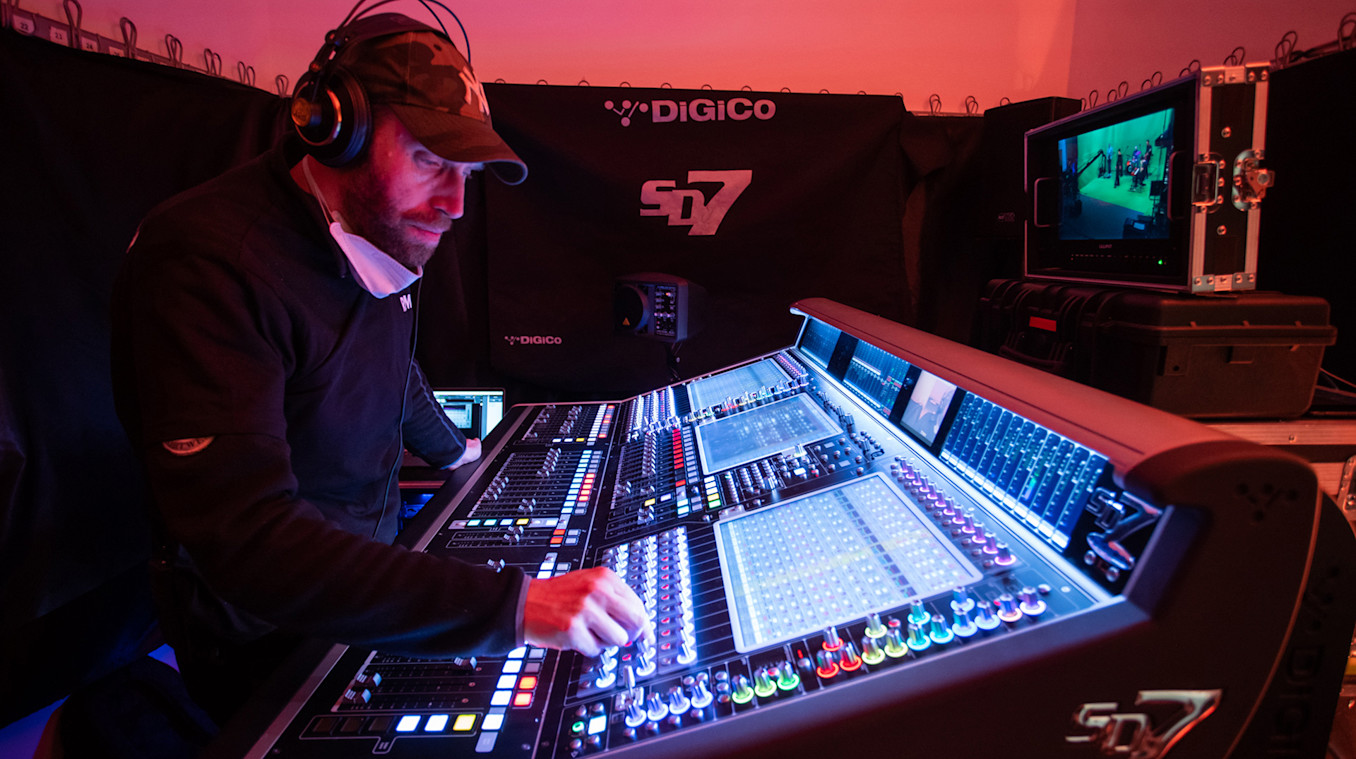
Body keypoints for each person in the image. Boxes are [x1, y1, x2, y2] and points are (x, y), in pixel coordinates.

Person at [110, 11, 650, 725]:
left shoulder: (373, 228)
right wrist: (515, 607)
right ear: (335, 127)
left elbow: (394, 367)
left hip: (373, 569)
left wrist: (457, 454)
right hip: (268, 632)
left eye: (466, 174)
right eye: (430, 160)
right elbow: (248, 539)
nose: (455, 205)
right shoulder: (207, 261)